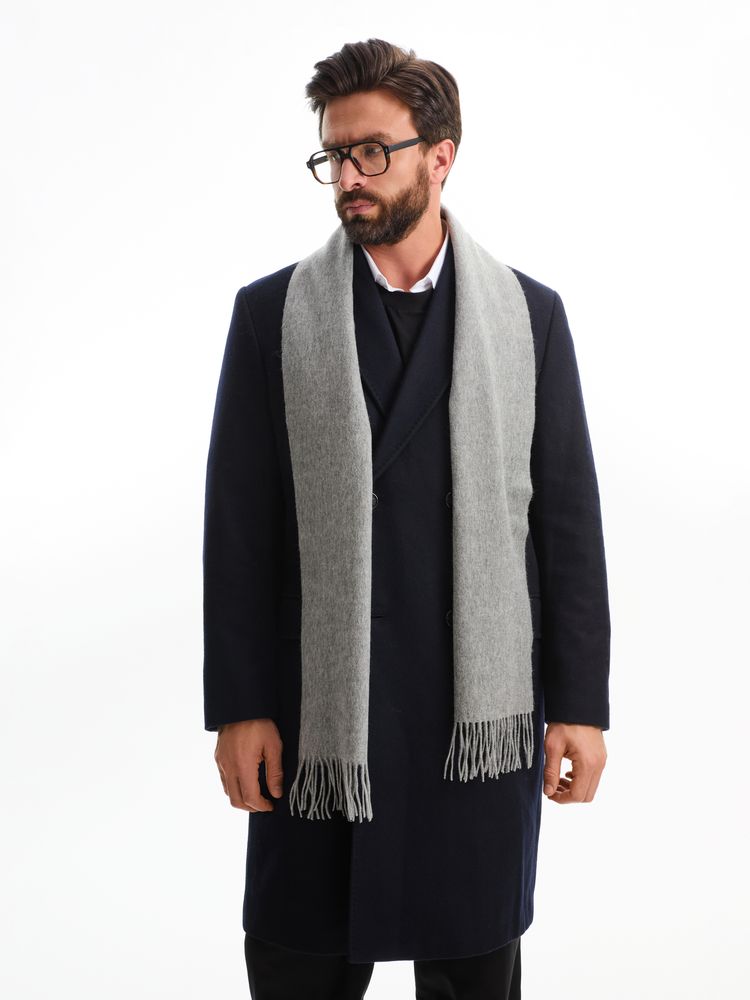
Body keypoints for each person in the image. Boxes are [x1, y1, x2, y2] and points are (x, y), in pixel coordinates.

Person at [203, 38, 610, 1000]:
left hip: (473, 726)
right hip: (316, 724)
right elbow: (239, 530)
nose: (349, 177)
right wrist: (239, 706)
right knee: (299, 964)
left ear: (441, 155)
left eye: (372, 152)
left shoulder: (530, 318)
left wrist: (581, 706)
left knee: (473, 970)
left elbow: (565, 526)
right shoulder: (270, 316)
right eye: (334, 155)